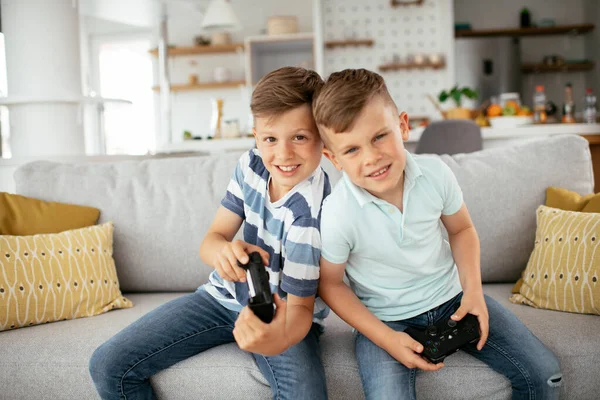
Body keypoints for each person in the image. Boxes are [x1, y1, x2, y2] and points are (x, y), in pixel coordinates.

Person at [313, 68, 562, 400]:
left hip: (454, 300)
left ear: (403, 125)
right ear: (333, 159)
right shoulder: (337, 211)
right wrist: (386, 338)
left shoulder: (435, 174)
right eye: (352, 150)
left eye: (379, 136)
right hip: (386, 321)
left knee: (546, 376)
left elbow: (461, 229)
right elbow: (330, 284)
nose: (372, 157)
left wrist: (473, 292)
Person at [89, 66, 331, 400]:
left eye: (300, 137)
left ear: (324, 137)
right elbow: (212, 239)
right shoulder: (251, 166)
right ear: (256, 134)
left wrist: (272, 337)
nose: (283, 154)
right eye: (270, 139)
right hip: (220, 299)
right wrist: (223, 252)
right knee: (108, 364)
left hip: (284, 318)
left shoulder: (315, 212)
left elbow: (300, 312)